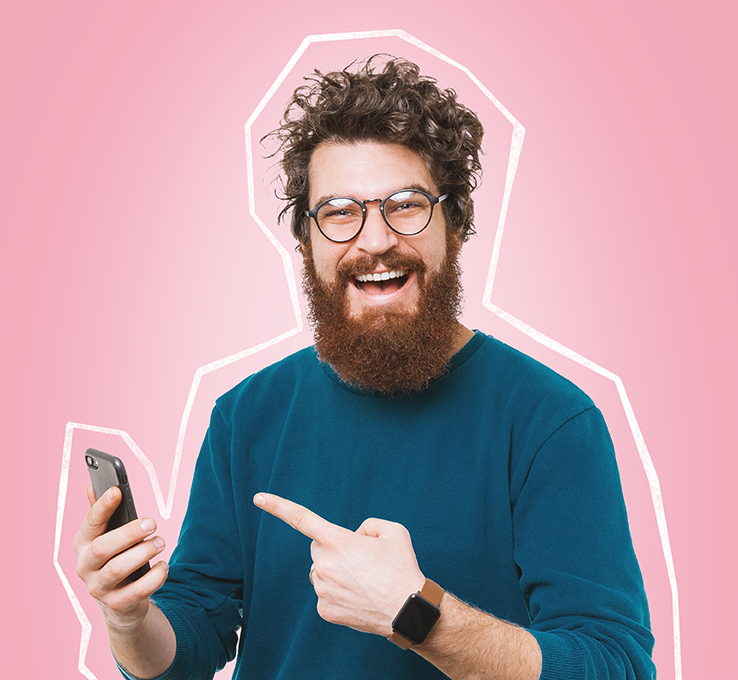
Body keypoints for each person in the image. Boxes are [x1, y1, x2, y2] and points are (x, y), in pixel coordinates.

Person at [74, 56, 655, 680]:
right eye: (340, 212)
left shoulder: (549, 420)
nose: (374, 241)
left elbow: (613, 664)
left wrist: (415, 614)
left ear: (455, 225)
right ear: (307, 241)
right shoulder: (246, 415)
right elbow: (188, 642)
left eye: (405, 205)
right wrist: (130, 619)